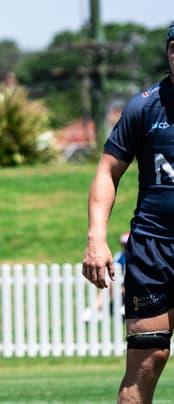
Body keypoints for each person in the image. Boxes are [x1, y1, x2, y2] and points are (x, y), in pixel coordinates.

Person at [83, 21, 174, 403]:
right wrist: (96, 238)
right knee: (148, 359)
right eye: (173, 46)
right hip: (154, 249)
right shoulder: (144, 105)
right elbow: (107, 170)